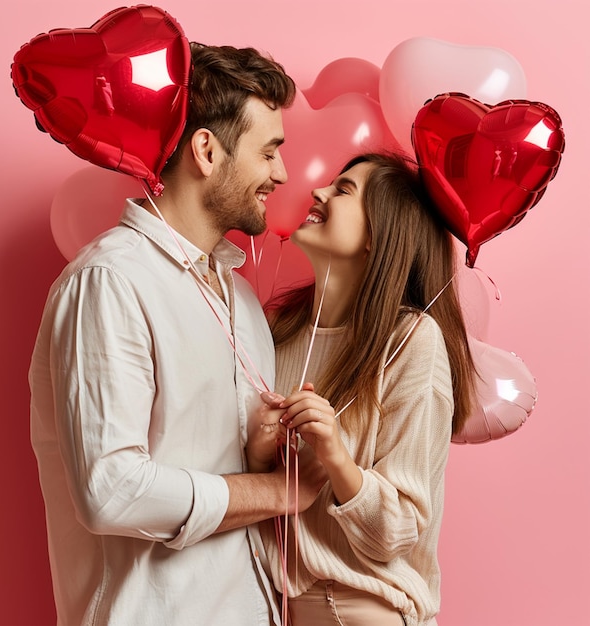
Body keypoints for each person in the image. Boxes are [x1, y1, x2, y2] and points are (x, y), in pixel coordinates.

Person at [29, 43, 326, 626]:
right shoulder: (109, 281)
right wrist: (278, 492)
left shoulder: (239, 296)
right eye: (269, 152)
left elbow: (211, 454)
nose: (283, 174)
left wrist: (264, 447)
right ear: (207, 150)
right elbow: (110, 490)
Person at [248, 152, 477, 626]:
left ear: (377, 234)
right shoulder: (272, 330)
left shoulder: (412, 340)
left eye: (343, 189)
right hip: (276, 611)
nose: (318, 192)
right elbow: (262, 504)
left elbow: (396, 535)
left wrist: (334, 455)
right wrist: (257, 453)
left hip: (366, 612)